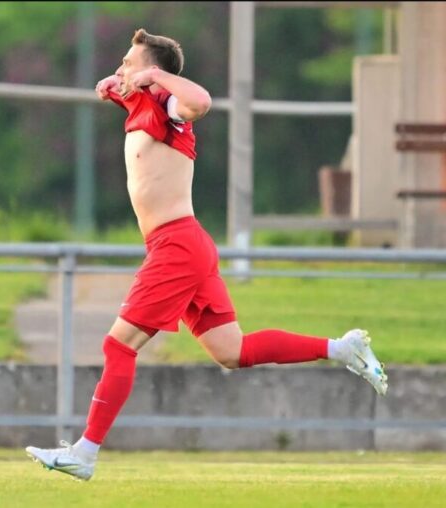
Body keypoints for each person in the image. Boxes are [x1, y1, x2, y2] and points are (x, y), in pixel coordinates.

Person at [25, 28, 387, 482]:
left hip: (177, 246)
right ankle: (341, 348)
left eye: (129, 62)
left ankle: (86, 452)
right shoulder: (143, 104)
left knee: (118, 345)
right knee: (232, 351)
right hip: (185, 245)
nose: (121, 68)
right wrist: (113, 86)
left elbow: (201, 101)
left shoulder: (169, 104)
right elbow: (123, 90)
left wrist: (152, 77)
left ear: (153, 72)